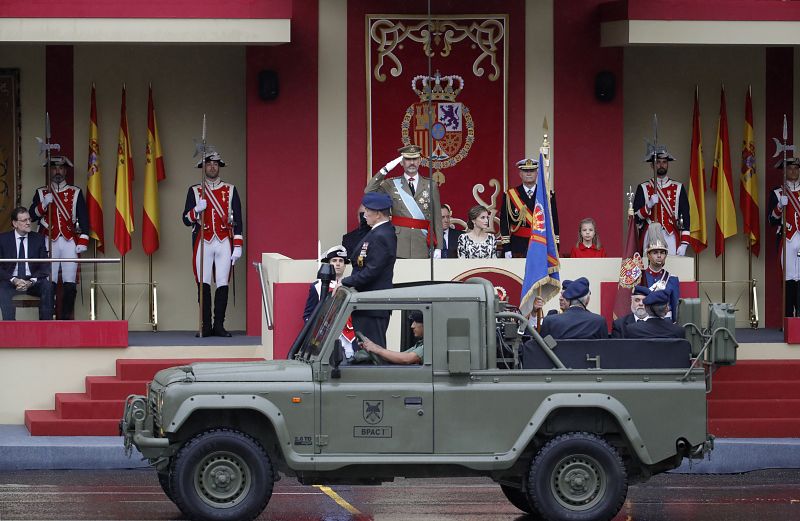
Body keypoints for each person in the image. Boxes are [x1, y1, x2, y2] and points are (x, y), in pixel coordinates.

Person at [182, 151, 243, 337]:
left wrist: (238, 245)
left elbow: (238, 219)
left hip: (224, 240)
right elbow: (185, 219)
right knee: (203, 283)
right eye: (209, 164)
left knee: (223, 283)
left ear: (219, 166)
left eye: (215, 164)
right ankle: (205, 326)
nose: (212, 167)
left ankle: (219, 326)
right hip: (203, 241)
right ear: (203, 167)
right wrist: (196, 210)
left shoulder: (231, 189)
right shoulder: (194, 190)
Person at [29, 156, 90, 320]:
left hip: (70, 240)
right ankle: (48, 318)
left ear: (65, 171)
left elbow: (83, 217)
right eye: (54, 168)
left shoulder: (75, 192)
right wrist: (43, 204)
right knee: (50, 281)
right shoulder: (41, 192)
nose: (58, 171)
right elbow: (31, 216)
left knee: (70, 282)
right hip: (48, 240)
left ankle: (65, 318)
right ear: (49, 171)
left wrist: (84, 237)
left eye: (61, 168)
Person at [366, 144, 443, 259]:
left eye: (415, 159)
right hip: (399, 243)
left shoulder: (430, 184)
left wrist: (439, 247)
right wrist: (385, 169)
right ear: (401, 162)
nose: (412, 162)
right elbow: (369, 191)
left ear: (420, 161)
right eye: (407, 159)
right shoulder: (391, 184)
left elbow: (437, 217)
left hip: (422, 243)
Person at [341, 192, 397, 348]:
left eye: (367, 211)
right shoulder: (376, 232)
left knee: (373, 352)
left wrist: (344, 282)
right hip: (367, 304)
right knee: (364, 350)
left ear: (378, 214)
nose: (364, 214)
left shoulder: (382, 235)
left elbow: (372, 271)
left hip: (373, 305)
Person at [633, 147, 690, 256]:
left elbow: (685, 217)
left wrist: (684, 243)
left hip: (671, 235)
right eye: (658, 162)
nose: (661, 165)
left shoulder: (678, 187)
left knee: (672, 268)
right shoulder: (643, 187)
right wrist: (648, 206)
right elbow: (636, 218)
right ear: (652, 165)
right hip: (650, 234)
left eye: (664, 162)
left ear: (668, 164)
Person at [498, 158, 560, 258]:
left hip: (541, 242)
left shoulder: (547, 194)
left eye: (532, 171)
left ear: (537, 173)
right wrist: (507, 248)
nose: (529, 174)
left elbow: (554, 222)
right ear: (520, 174)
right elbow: (504, 223)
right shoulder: (510, 195)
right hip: (518, 245)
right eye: (525, 171)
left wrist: (555, 246)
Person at [0, 207, 54, 320]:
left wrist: (31, 281)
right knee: (2, 289)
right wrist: (13, 280)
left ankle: (46, 327)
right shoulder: (3, 239)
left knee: (47, 286)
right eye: (24, 220)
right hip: (11, 281)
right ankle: (10, 328)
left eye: (29, 219)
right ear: (15, 223)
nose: (29, 222)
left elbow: (45, 265)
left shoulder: (38, 239)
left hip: (32, 281)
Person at [303, 245, 356, 358]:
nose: (338, 264)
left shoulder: (354, 285)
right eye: (334, 260)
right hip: (326, 335)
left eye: (341, 261)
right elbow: (308, 315)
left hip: (350, 335)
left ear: (345, 264)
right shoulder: (317, 287)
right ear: (329, 263)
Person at [768, 157, 800, 317]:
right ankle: (788, 319)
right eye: (790, 168)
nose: (793, 171)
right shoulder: (777, 192)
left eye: (796, 168)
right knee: (788, 279)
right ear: (785, 171)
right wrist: (780, 205)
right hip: (786, 239)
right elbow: (771, 220)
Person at [539, 277, 607, 339]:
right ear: (587, 300)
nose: (560, 298)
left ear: (568, 298)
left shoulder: (550, 321)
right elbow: (604, 349)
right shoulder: (599, 322)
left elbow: (540, 349)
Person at [640, 223, 680, 322]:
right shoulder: (640, 277)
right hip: (645, 323)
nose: (659, 256)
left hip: (666, 324)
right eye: (655, 252)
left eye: (662, 252)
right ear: (648, 255)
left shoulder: (672, 279)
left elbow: (675, 307)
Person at [359, 310, 424, 365]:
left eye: (416, 322)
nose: (412, 326)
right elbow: (401, 355)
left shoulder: (429, 346)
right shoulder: (421, 343)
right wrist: (373, 346)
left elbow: (406, 359)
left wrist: (377, 350)